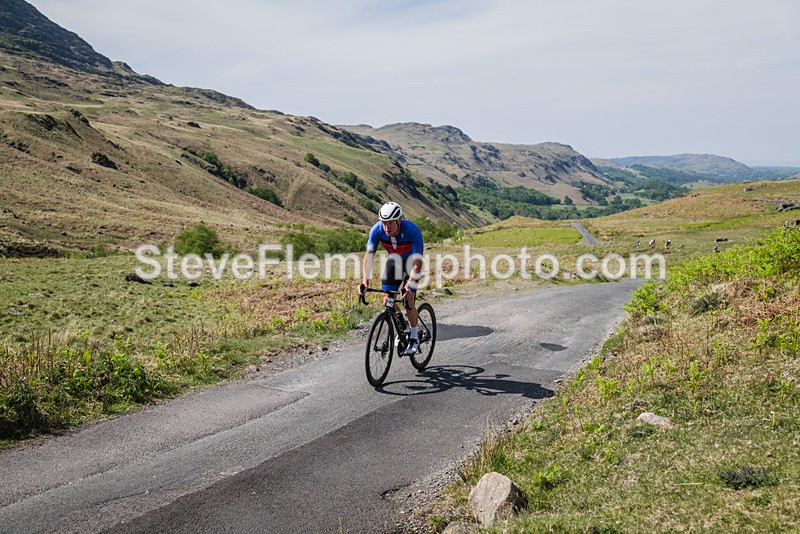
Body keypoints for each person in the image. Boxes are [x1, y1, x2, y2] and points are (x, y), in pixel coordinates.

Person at [359, 202, 425, 355]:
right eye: (384, 222)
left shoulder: (412, 230)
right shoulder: (376, 230)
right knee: (387, 299)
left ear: (399, 220)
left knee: (408, 299)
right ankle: (402, 326)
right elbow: (369, 256)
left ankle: (414, 336)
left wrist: (409, 286)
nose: (386, 227)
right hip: (394, 262)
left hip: (413, 264)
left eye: (390, 223)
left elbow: (418, 264)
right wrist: (365, 281)